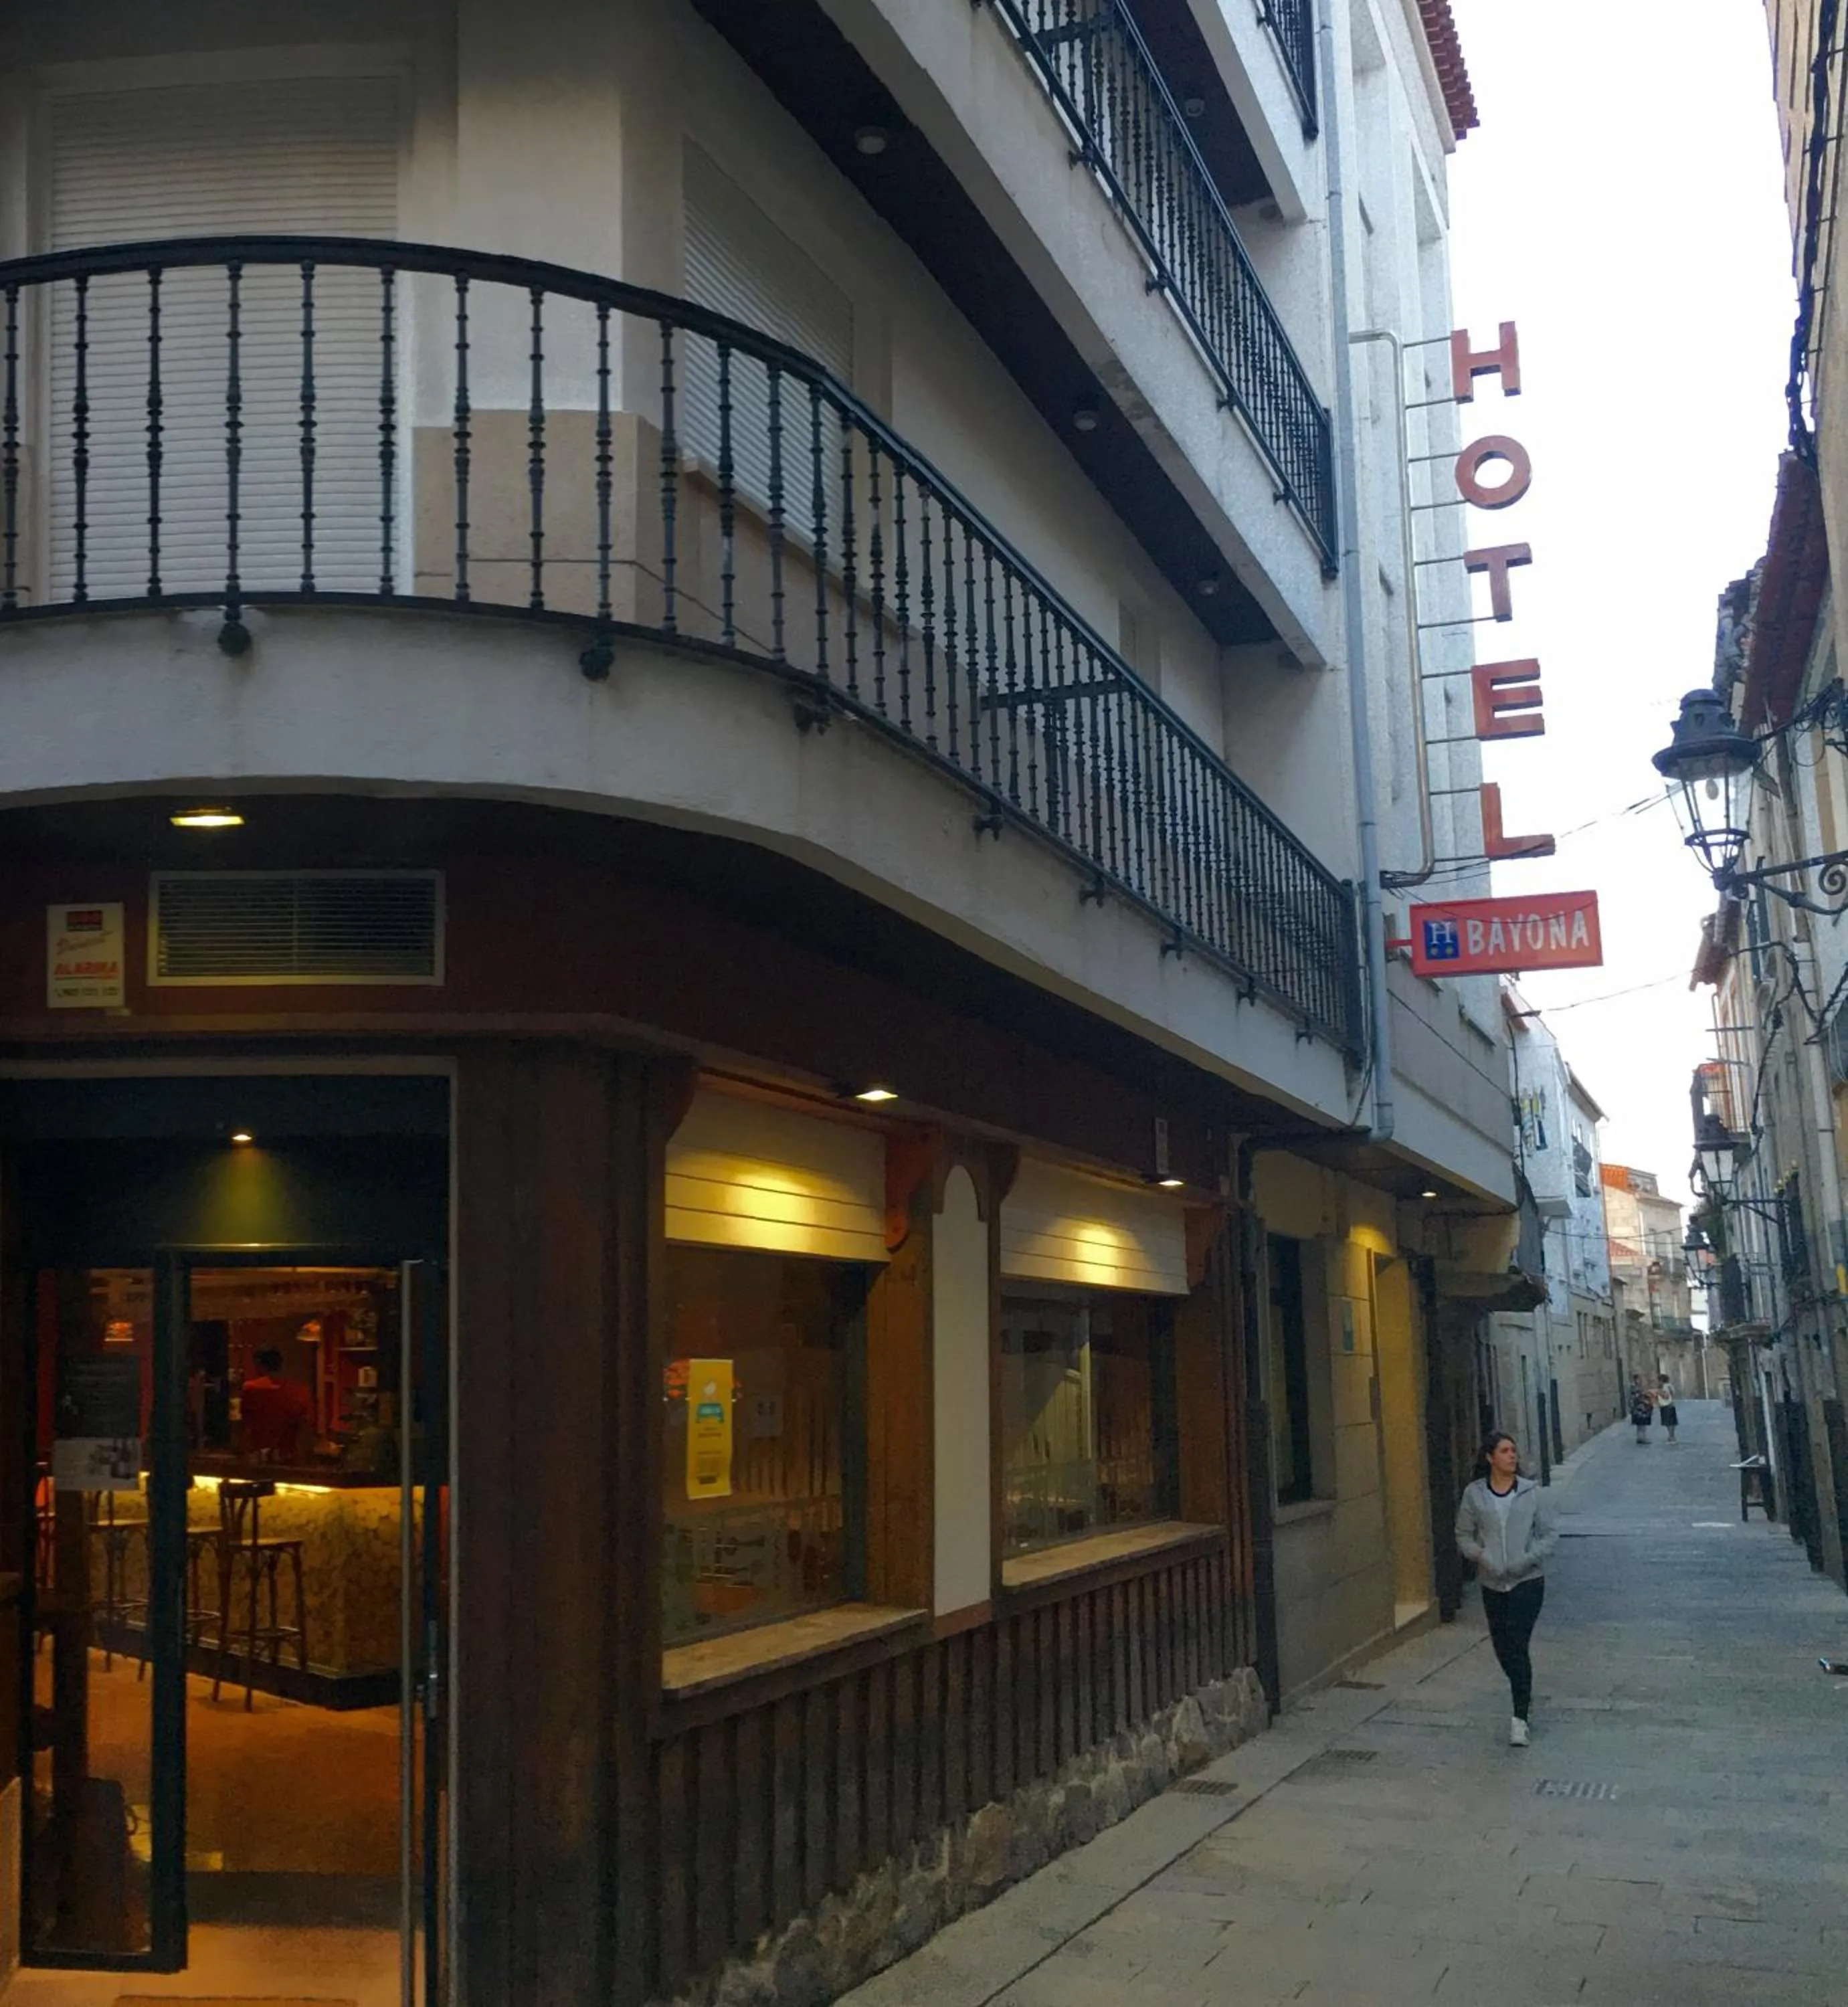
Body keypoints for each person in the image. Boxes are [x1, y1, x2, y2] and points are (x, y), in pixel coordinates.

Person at [1455, 1431, 1557, 1747]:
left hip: (1527, 1582)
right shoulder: (1475, 1495)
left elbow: (1549, 1535)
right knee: (1503, 1648)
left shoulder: (1531, 1493)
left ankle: (1520, 1718)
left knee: (1516, 1643)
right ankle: (1523, 1692)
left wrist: (1526, 1560)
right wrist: (1482, 1557)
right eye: (1504, 1451)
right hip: (1492, 1583)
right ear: (1490, 1458)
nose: (1512, 1456)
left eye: (1514, 1451)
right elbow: (1463, 1535)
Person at [239, 1347, 313, 1462]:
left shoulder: (251, 1388)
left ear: (259, 1364)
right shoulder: (300, 1390)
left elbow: (246, 1422)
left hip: (259, 1451)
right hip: (288, 1452)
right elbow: (305, 1424)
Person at [1628, 1375, 1654, 1445]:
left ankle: (1640, 1437)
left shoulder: (1635, 1388)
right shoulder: (1635, 1388)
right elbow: (1637, 1398)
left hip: (1638, 1409)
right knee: (1641, 1424)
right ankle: (1642, 1438)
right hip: (1639, 1409)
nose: (1640, 1381)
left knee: (1641, 1424)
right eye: (1639, 1380)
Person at [1656, 1373, 1679, 1444]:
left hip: (1666, 1406)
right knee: (1671, 1422)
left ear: (1662, 1381)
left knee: (1669, 1422)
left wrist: (1659, 1393)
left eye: (1659, 1380)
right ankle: (1672, 1436)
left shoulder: (1664, 1387)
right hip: (1671, 1405)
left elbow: (1666, 1396)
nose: (1658, 1382)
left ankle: (1672, 1437)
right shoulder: (1670, 1386)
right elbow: (1672, 1394)